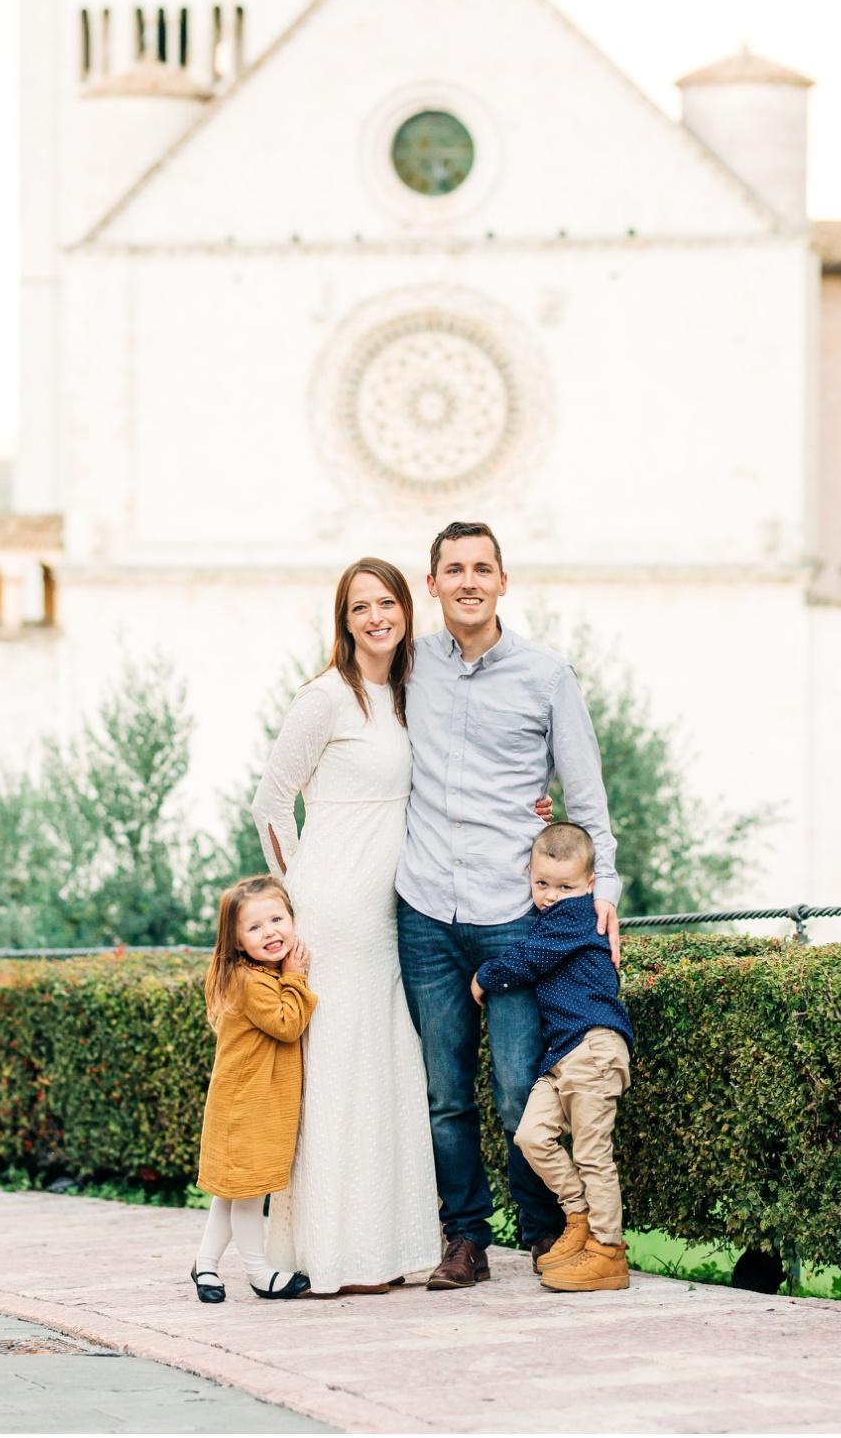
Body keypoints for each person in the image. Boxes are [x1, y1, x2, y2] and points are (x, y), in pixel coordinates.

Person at [396, 520, 622, 1289]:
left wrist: (605, 892)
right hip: (425, 907)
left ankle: (547, 1233)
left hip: (511, 912)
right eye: (452, 568)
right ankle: (464, 1238)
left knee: (520, 1085)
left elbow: (586, 801)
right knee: (444, 1095)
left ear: (501, 581)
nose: (468, 580)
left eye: (481, 568)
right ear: (431, 584)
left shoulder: (546, 675)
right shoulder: (409, 665)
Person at [252, 560, 442, 1295]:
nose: (374, 616)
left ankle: (387, 1248)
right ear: (344, 618)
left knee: (388, 1070)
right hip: (333, 909)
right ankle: (328, 1252)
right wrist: (299, 889)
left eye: (386, 601)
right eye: (359, 605)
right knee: (335, 1076)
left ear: (404, 608)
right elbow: (270, 802)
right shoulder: (323, 697)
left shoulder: (411, 694)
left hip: (394, 910)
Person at [473, 821, 634, 1292]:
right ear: (529, 872)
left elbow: (527, 959)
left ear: (589, 884)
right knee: (531, 1136)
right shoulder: (554, 912)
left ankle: (608, 1252)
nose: (551, 895)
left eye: (564, 886)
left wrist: (484, 976)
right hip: (564, 1053)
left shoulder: (578, 913)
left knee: (591, 1154)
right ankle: (579, 1217)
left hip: (594, 1045)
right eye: (542, 883)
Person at [191, 875, 317, 1302]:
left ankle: (205, 1266)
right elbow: (287, 1024)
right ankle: (259, 1273)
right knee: (247, 1195)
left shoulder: (257, 976)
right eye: (255, 927)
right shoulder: (253, 982)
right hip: (246, 1107)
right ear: (238, 942)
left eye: (277, 919)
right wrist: (296, 977)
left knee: (232, 1192)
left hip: (245, 1104)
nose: (271, 932)